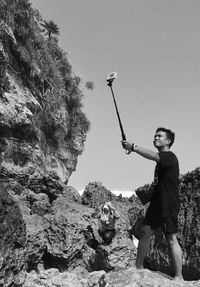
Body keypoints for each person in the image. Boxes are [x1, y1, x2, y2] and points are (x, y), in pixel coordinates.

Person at [121, 127, 183, 281]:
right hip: (156, 203)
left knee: (171, 238)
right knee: (145, 232)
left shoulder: (169, 156)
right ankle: (138, 267)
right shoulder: (161, 159)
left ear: (168, 141)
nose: (156, 137)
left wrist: (133, 147)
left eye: (159, 136)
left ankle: (179, 277)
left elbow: (154, 155)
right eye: (155, 135)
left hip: (168, 203)